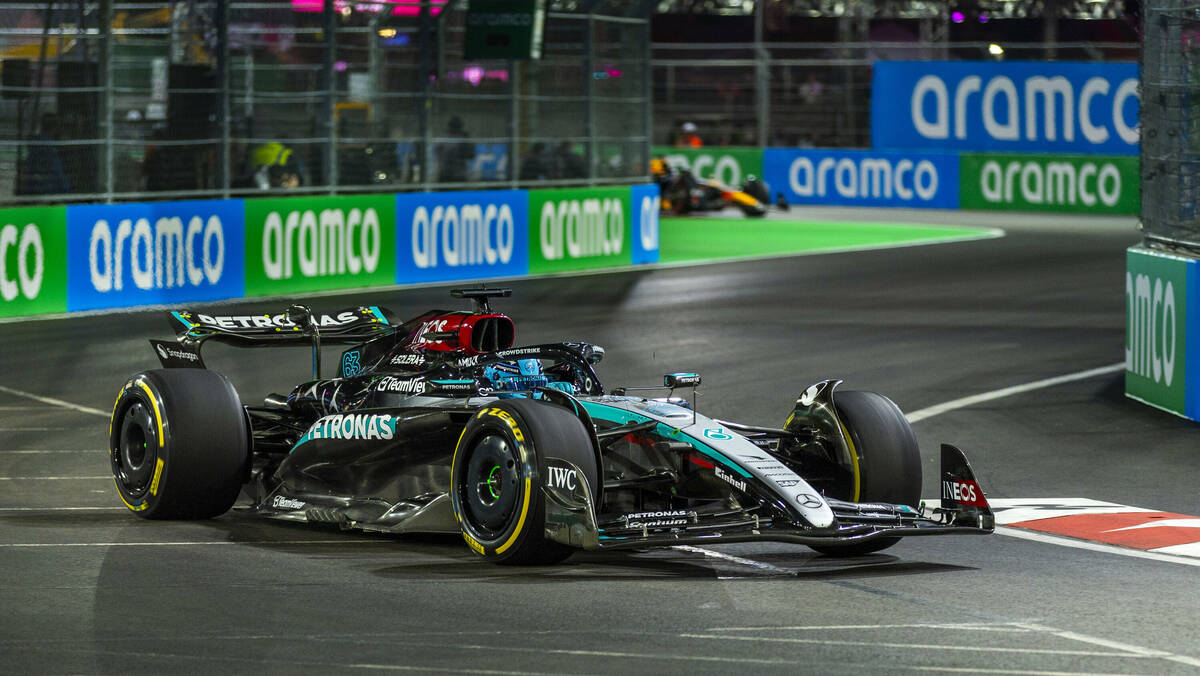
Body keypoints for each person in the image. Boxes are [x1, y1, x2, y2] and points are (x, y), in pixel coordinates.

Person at [19, 114, 70, 195]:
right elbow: (59, 175)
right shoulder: (48, 148)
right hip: (47, 189)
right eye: (59, 126)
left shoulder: (37, 144)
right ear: (55, 128)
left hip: (34, 187)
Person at [437, 116, 474, 183]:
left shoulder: (464, 138)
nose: (455, 130)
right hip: (446, 173)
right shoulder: (444, 138)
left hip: (458, 174)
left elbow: (471, 155)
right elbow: (439, 153)